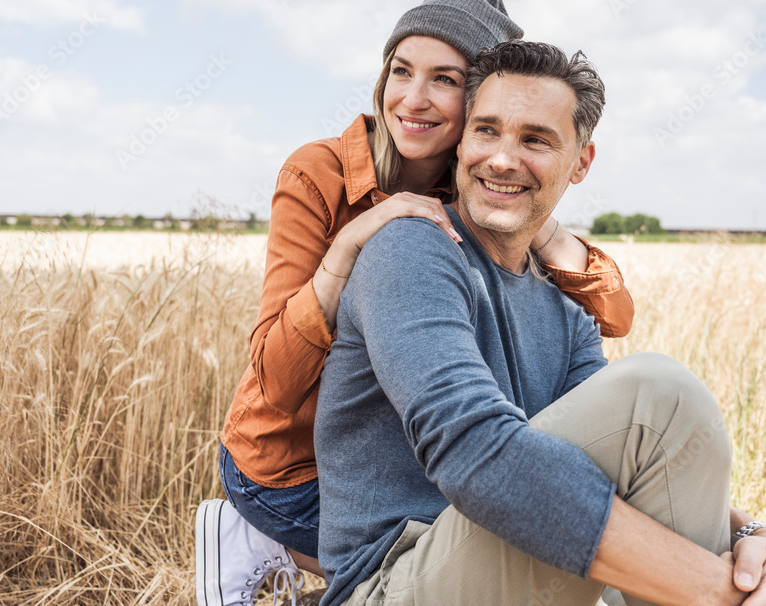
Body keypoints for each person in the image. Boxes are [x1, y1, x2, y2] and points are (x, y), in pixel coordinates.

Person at [196, 0, 636, 606]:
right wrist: (348, 251)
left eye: (445, 80)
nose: (414, 98)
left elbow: (614, 317)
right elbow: (273, 377)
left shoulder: (482, 191)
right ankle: (258, 540)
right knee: (481, 542)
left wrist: (547, 228)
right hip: (294, 471)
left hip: (395, 458)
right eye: (401, 71)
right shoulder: (318, 172)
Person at [314, 40, 766, 606]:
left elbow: (632, 469)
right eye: (486, 131)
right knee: (660, 395)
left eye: (535, 139)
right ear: (461, 143)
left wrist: (747, 532)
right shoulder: (411, 250)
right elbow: (472, 450)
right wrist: (716, 590)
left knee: (669, 421)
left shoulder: (568, 315)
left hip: (523, 568)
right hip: (392, 586)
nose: (502, 158)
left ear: (581, 162)